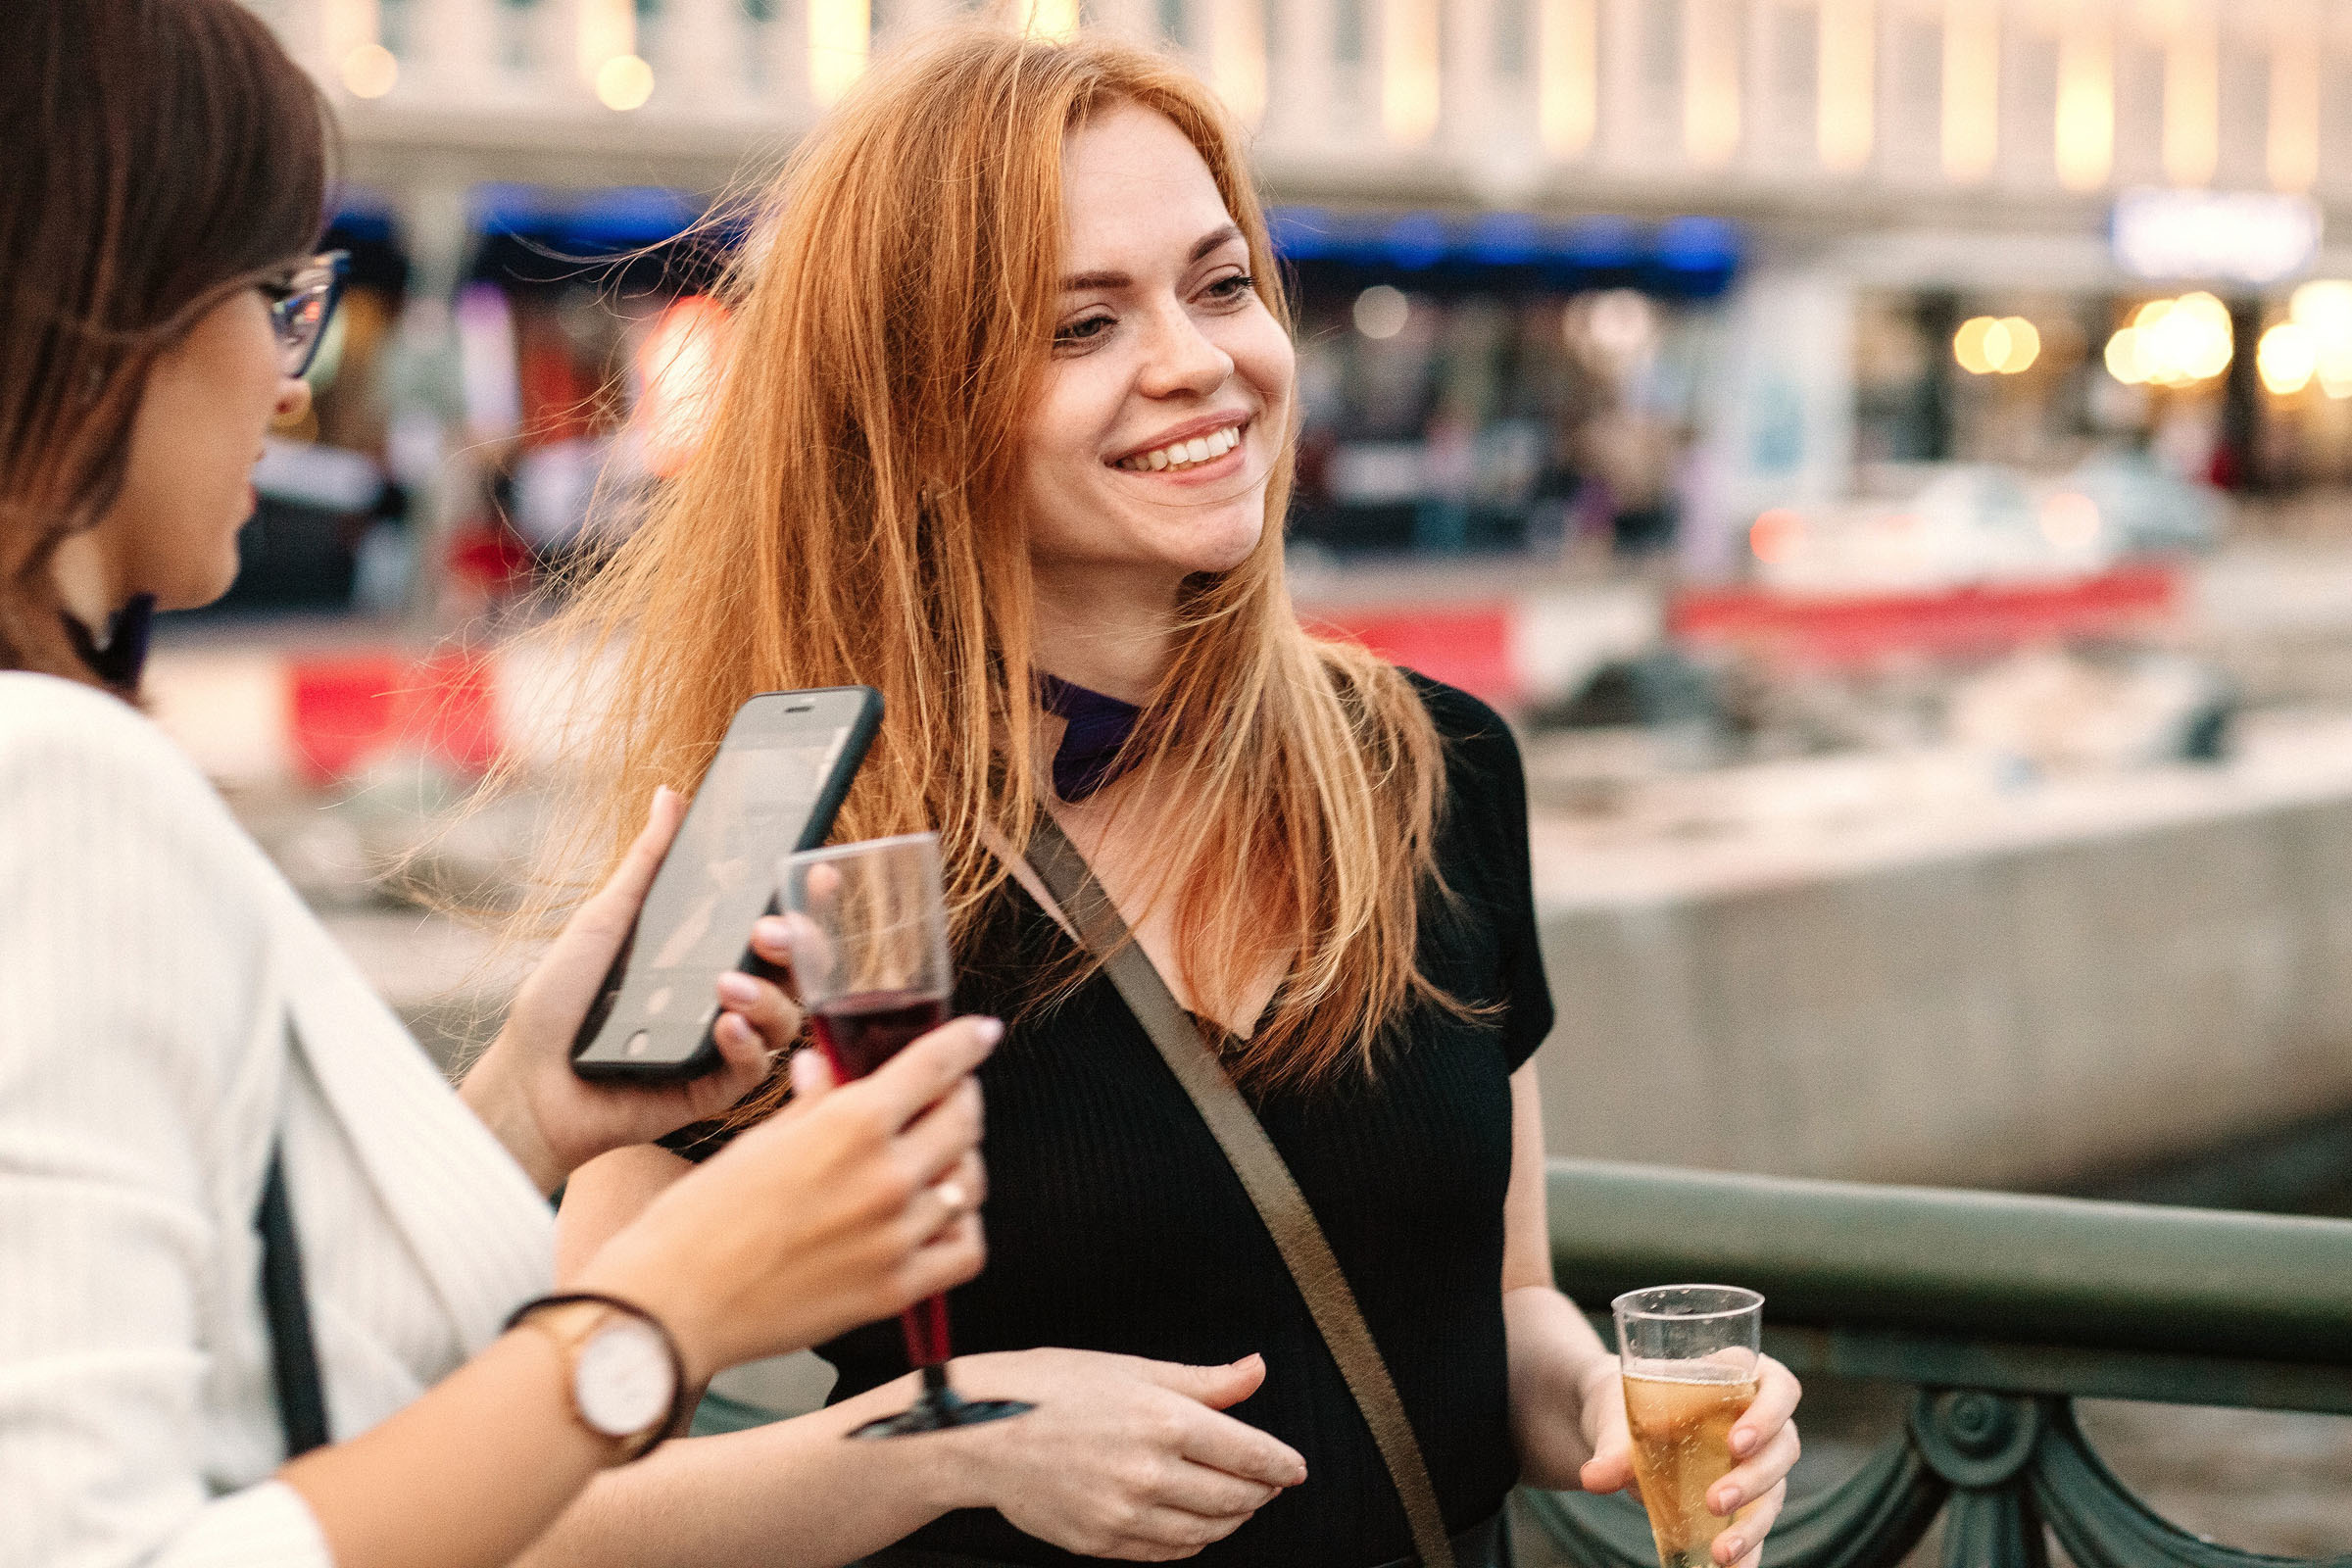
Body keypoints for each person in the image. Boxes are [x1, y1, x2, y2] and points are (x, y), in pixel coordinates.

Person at [529, 24, 1800, 1568]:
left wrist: (1614, 1398)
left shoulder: (1439, 766)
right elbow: (550, 1505)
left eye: (1219, 285)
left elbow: (1505, 1310)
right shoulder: (794, 850)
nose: (1199, 361)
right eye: (1081, 326)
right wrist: (948, 1445)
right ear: (919, 408)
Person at [0, 6, 997, 1566]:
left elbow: (239, 1357)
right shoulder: (55, 784)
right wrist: (672, 1315)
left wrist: (532, 1111)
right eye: (277, 296)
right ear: (106, 307)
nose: (288, 380)